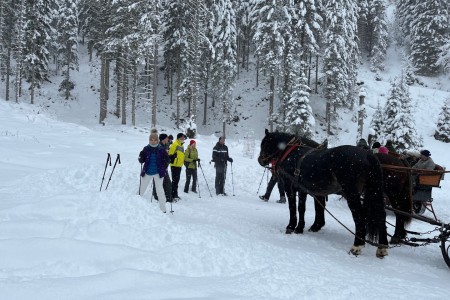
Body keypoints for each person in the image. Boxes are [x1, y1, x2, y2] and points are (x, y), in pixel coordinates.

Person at [138, 129, 169, 213]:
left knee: (160, 191)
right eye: (151, 140)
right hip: (147, 172)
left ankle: (163, 209)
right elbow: (142, 160)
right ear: (149, 140)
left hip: (158, 173)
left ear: (157, 140)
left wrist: (164, 166)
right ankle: (135, 206)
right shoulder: (146, 148)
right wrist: (141, 157)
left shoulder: (161, 149)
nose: (153, 141)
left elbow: (167, 160)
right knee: (141, 189)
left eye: (155, 140)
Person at [152, 133, 172, 202]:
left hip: (164, 168)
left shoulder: (165, 145)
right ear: (163, 139)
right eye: (166, 138)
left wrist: (170, 157)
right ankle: (157, 197)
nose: (168, 139)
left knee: (166, 183)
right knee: (161, 183)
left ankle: (167, 198)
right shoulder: (159, 146)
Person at [168, 132, 186, 201]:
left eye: (183, 137)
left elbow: (181, 155)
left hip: (179, 165)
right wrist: (174, 159)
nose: (183, 138)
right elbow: (170, 154)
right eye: (182, 137)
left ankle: (175, 194)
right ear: (179, 138)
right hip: (174, 165)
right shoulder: (174, 144)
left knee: (177, 181)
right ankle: (172, 195)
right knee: (174, 181)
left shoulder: (181, 145)